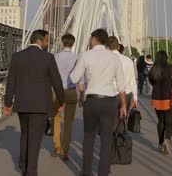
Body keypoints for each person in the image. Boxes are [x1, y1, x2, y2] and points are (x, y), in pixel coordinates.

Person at [4, 30, 65, 176]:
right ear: (40, 41)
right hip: (40, 105)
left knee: (25, 134)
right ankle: (31, 171)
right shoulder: (48, 58)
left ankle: (23, 166)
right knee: (35, 139)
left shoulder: (17, 56)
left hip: (22, 104)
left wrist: (7, 103)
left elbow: (10, 82)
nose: (48, 43)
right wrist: (61, 100)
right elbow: (57, 82)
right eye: (47, 41)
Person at [70, 29, 127, 176]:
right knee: (106, 140)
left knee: (89, 138)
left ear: (94, 39)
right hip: (109, 102)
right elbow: (121, 84)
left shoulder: (85, 55)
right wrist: (124, 105)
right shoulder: (114, 58)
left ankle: (86, 172)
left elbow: (74, 78)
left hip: (92, 101)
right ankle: (103, 173)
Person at [51, 33, 81, 161]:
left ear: (62, 43)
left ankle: (57, 146)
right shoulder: (77, 58)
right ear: (73, 43)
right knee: (68, 122)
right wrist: (83, 95)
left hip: (56, 91)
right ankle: (65, 150)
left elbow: (50, 75)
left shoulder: (55, 57)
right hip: (71, 90)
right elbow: (81, 78)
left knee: (56, 118)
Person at [148, 50, 172, 155]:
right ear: (166, 58)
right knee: (170, 122)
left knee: (161, 121)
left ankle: (159, 144)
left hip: (157, 99)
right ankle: (167, 140)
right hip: (169, 98)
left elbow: (151, 82)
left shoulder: (153, 69)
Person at [107, 37, 138, 118]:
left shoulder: (105, 60)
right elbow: (132, 81)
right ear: (118, 47)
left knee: (108, 122)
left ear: (107, 47)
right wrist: (135, 97)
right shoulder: (128, 61)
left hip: (110, 94)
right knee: (122, 120)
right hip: (126, 94)